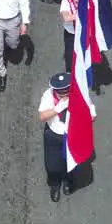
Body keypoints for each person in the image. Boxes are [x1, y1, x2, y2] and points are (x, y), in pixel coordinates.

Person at [38, 72, 73, 201]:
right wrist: (59, 108)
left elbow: (91, 113)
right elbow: (42, 117)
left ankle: (67, 181)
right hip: (54, 134)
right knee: (52, 165)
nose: (64, 96)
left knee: (70, 162)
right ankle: (55, 184)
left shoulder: (78, 93)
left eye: (66, 93)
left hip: (71, 134)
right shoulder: (49, 95)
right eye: (61, 94)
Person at [58, 0, 82, 69]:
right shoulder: (65, 1)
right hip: (71, 34)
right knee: (70, 57)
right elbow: (66, 17)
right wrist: (81, 14)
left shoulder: (87, 2)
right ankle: (70, 75)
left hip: (84, 33)